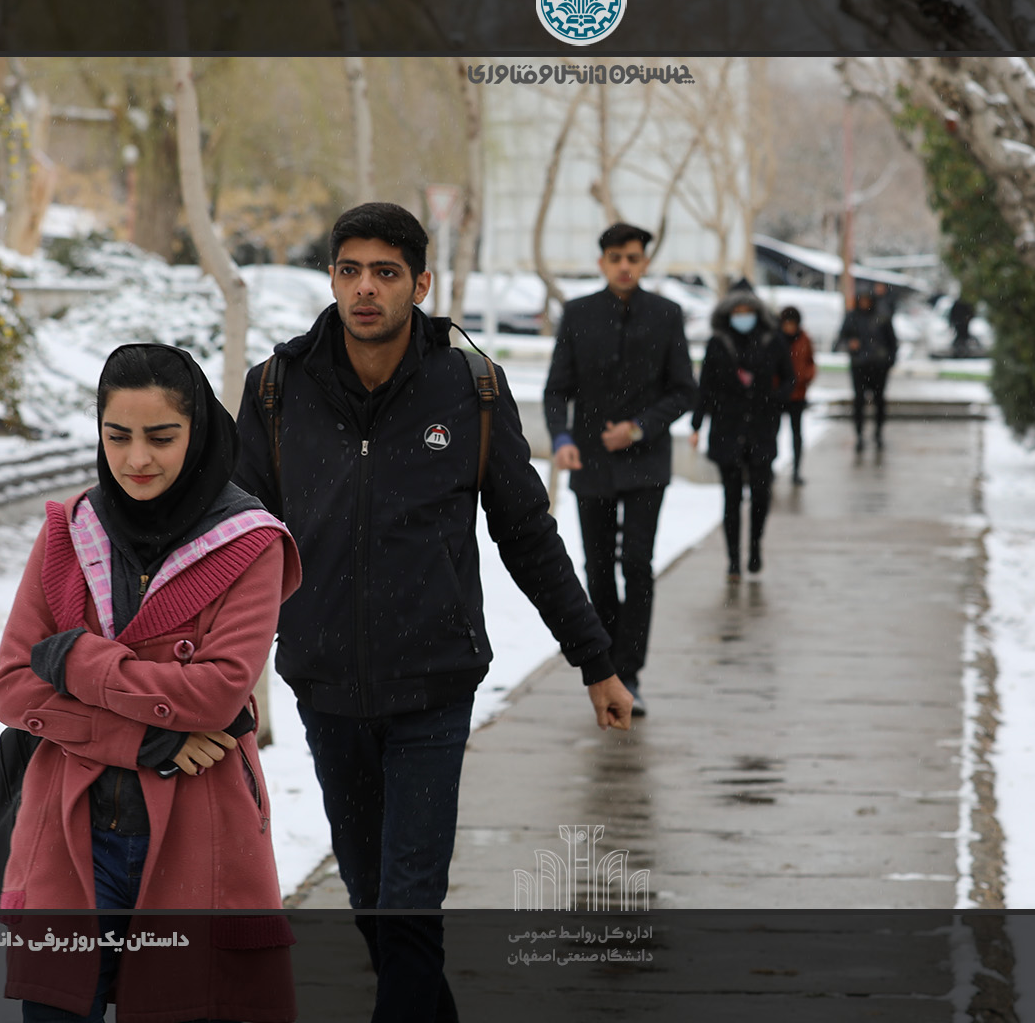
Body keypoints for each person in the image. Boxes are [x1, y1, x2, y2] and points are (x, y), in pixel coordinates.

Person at [233, 203, 632, 1023]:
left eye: (386, 273)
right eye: (350, 270)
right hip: (325, 683)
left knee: (409, 903)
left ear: (420, 283)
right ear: (332, 278)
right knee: (372, 899)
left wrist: (594, 658)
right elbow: (240, 544)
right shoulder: (277, 388)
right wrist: (217, 675)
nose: (365, 289)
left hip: (434, 686)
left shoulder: (470, 388)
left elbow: (527, 533)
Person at [0, 343, 301, 1022]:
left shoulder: (250, 543)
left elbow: (218, 693)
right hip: (71, 833)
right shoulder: (69, 532)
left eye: (161, 438)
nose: (136, 459)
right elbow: (14, 687)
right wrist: (149, 739)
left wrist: (76, 659)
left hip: (200, 832)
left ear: (198, 432)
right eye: (117, 436)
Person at [543, 222, 697, 718]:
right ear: (602, 262)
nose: (625, 266)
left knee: (636, 563)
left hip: (646, 463)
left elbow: (684, 390)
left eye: (633, 257)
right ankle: (606, 664)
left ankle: (630, 672)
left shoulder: (667, 315)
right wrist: (562, 439)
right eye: (616, 258)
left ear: (645, 262)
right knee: (597, 567)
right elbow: (556, 389)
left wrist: (639, 428)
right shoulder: (578, 314)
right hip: (590, 462)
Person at [691, 292, 794, 579]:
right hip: (727, 428)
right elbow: (706, 386)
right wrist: (697, 424)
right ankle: (734, 559)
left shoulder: (772, 341)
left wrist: (776, 400)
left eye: (748, 310)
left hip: (761, 429)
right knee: (731, 497)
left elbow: (789, 376)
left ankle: (755, 545)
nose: (743, 316)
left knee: (761, 494)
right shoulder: (718, 343)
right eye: (737, 311)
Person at [834, 291, 899, 452]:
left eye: (867, 300)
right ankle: (859, 435)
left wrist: (889, 361)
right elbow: (840, 340)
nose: (864, 303)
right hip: (859, 366)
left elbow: (892, 342)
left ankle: (878, 433)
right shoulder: (852, 317)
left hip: (879, 367)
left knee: (879, 401)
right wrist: (850, 344)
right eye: (861, 300)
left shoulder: (882, 317)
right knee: (859, 401)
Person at [777, 306, 818, 485]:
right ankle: (770, 466)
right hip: (778, 394)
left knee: (796, 433)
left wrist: (805, 378)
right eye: (787, 324)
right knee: (773, 432)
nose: (790, 328)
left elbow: (810, 362)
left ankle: (796, 470)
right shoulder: (776, 339)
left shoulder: (804, 339)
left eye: (792, 324)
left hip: (798, 394)